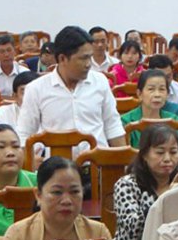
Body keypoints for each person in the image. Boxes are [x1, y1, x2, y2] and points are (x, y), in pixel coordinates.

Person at [15, 25, 126, 154]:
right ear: (62, 58)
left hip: (97, 166)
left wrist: (122, 163)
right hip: (55, 169)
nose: (88, 64)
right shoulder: (36, 89)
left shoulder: (100, 82)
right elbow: (24, 134)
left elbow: (113, 126)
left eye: (90, 57)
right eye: (83, 58)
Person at [113, 123, 178, 240]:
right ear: (145, 155)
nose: (167, 158)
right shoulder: (127, 185)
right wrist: (166, 198)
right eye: (160, 152)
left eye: (173, 152)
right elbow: (133, 230)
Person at [122, 69, 178, 147]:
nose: (157, 95)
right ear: (139, 94)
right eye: (151, 89)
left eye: (162, 89)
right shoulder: (126, 121)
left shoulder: (173, 120)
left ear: (167, 94)